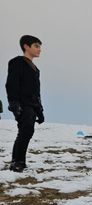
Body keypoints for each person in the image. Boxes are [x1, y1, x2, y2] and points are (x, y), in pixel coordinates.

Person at [5, 35, 44, 173]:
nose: (39, 49)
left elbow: (36, 91)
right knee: (25, 131)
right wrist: (14, 103)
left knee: (28, 132)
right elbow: (11, 84)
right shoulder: (17, 62)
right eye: (36, 46)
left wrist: (40, 111)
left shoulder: (35, 69)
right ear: (26, 46)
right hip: (22, 104)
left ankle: (21, 161)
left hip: (32, 106)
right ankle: (17, 162)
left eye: (40, 46)